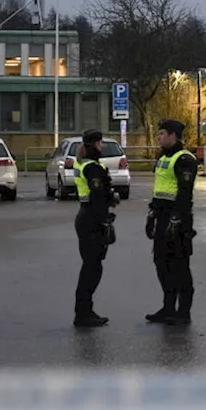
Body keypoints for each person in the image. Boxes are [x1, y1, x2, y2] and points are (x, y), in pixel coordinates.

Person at [144, 118, 199, 325]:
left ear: (173, 135)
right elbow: (160, 189)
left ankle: (183, 311)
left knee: (179, 266)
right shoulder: (163, 157)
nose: (158, 137)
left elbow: (184, 194)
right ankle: (168, 307)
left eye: (162, 134)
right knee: (161, 263)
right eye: (158, 134)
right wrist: (152, 215)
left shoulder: (185, 159)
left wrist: (176, 219)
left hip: (179, 221)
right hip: (162, 217)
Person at [73, 128, 118, 327]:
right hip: (92, 219)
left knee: (90, 266)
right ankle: (83, 313)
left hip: (85, 216)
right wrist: (106, 220)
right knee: (92, 269)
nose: (102, 146)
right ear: (96, 144)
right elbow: (99, 196)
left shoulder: (82, 162)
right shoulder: (93, 168)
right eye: (101, 143)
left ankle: (84, 311)